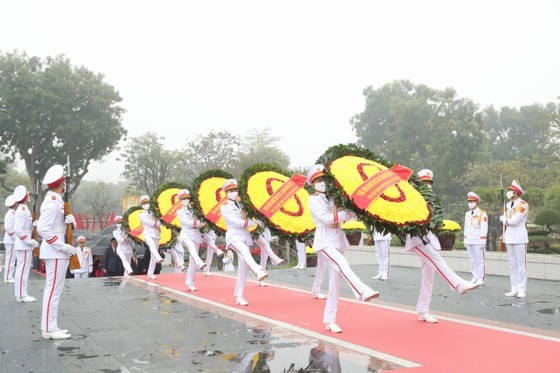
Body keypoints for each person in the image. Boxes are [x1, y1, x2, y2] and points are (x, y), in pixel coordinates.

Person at [306, 164, 379, 333]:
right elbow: (326, 219)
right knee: (341, 263)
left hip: (338, 240)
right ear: (313, 184)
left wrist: (355, 209)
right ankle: (362, 290)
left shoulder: (334, 197)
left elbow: (346, 214)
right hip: (324, 240)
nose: (321, 183)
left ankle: (330, 320)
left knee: (334, 283)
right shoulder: (313, 199)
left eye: (323, 179)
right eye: (317, 181)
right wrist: (348, 213)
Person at [405, 169, 479, 324]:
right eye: (424, 182)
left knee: (428, 278)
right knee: (437, 259)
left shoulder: (430, 200)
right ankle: (458, 284)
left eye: (429, 183)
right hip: (416, 239)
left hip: (428, 239)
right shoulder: (410, 197)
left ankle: (423, 310)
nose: (428, 185)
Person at [38, 164, 79, 340]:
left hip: (58, 250)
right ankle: (48, 328)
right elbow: (43, 229)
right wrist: (61, 246)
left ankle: (51, 325)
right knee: (53, 290)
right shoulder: (51, 202)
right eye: (64, 183)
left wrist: (73, 222)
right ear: (61, 184)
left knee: (56, 290)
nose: (65, 186)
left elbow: (60, 226)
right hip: (55, 251)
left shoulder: (57, 201)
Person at [220, 179, 268, 306]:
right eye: (230, 191)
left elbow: (248, 216)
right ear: (226, 193)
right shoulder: (224, 207)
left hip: (245, 235)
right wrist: (253, 223)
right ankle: (258, 270)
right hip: (233, 236)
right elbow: (235, 222)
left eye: (235, 190)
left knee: (242, 268)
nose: (233, 192)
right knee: (244, 251)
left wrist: (258, 220)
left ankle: (239, 295)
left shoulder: (242, 205)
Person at [500, 180, 529, 298]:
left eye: (511, 191)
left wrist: (503, 219)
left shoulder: (523, 205)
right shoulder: (507, 205)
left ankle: (522, 289)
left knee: (521, 265)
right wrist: (505, 220)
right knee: (512, 265)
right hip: (510, 236)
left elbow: (514, 221)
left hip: (520, 236)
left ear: (516, 192)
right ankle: (514, 288)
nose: (509, 192)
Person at [175, 189, 207, 291]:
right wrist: (195, 222)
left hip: (195, 235)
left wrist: (197, 223)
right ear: (180, 200)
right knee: (192, 249)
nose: (186, 200)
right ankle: (200, 262)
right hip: (186, 235)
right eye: (183, 199)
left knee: (192, 261)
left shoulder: (194, 210)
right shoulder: (180, 211)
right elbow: (187, 223)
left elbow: (200, 222)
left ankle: (190, 282)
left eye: (187, 198)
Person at [13, 185, 40, 302]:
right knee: (22, 270)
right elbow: (17, 229)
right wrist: (29, 241)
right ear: (25, 198)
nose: (29, 198)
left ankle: (21, 294)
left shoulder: (24, 210)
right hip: (24, 245)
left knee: (23, 270)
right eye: (28, 196)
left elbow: (25, 227)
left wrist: (33, 225)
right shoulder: (23, 210)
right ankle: (21, 295)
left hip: (24, 244)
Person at [463, 192, 488, 286]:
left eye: (472, 201)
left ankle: (481, 278)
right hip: (469, 240)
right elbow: (466, 227)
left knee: (480, 260)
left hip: (478, 240)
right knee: (472, 259)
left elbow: (484, 228)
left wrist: (482, 241)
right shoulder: (467, 214)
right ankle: (475, 276)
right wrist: (465, 239)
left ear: (477, 202)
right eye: (469, 201)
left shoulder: (482, 214)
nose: (470, 203)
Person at [138, 195, 164, 280]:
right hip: (147, 234)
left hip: (156, 234)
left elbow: (160, 222)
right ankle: (158, 257)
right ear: (142, 205)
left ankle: (150, 273)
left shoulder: (153, 213)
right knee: (152, 247)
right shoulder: (141, 214)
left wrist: (157, 221)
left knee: (153, 253)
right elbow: (148, 222)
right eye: (144, 203)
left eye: (147, 203)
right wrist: (155, 222)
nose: (146, 204)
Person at [3, 195, 17, 283]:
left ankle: (9, 276)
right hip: (11, 240)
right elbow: (8, 228)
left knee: (11, 259)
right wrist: (15, 237)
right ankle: (8, 277)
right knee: (10, 259)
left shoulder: (12, 213)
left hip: (10, 240)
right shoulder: (11, 214)